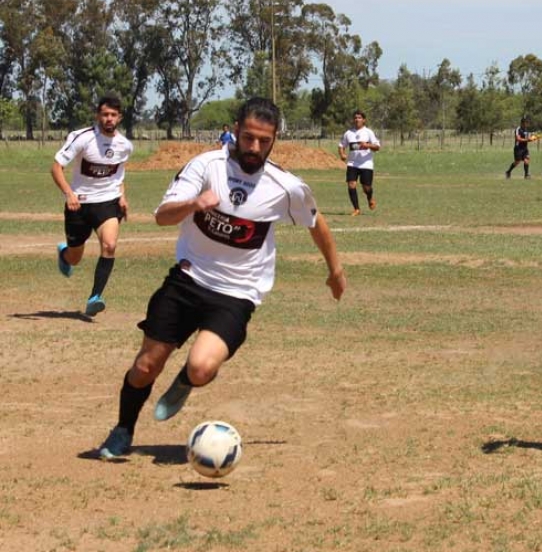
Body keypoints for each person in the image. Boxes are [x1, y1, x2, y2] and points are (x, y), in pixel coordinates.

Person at [96, 97, 347, 460]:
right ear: (235, 131)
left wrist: (335, 270)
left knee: (201, 368)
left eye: (264, 140)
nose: (255, 147)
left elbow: (315, 221)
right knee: (145, 367)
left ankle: (186, 380)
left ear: (275, 139)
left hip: (237, 293)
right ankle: (123, 429)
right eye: (248, 138)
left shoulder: (284, 185)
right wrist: (194, 204)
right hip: (188, 279)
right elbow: (163, 216)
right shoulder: (205, 166)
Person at [50, 94, 133, 317]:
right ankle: (64, 254)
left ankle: (95, 297)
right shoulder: (82, 138)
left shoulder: (125, 145)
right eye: (105, 114)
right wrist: (69, 194)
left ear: (119, 117)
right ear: (98, 116)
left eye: (113, 115)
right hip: (79, 205)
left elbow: (118, 174)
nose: (109, 118)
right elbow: (56, 167)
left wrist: (122, 197)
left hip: (108, 202)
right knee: (75, 258)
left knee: (110, 245)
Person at [338, 111, 381, 216]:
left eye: (359, 118)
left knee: (366, 187)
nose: (357, 119)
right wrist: (342, 154)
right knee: (351, 185)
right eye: (355, 118)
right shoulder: (348, 133)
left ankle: (370, 198)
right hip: (352, 164)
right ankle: (356, 209)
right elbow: (341, 146)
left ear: (364, 120)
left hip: (366, 164)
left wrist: (367, 145)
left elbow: (377, 147)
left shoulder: (368, 132)